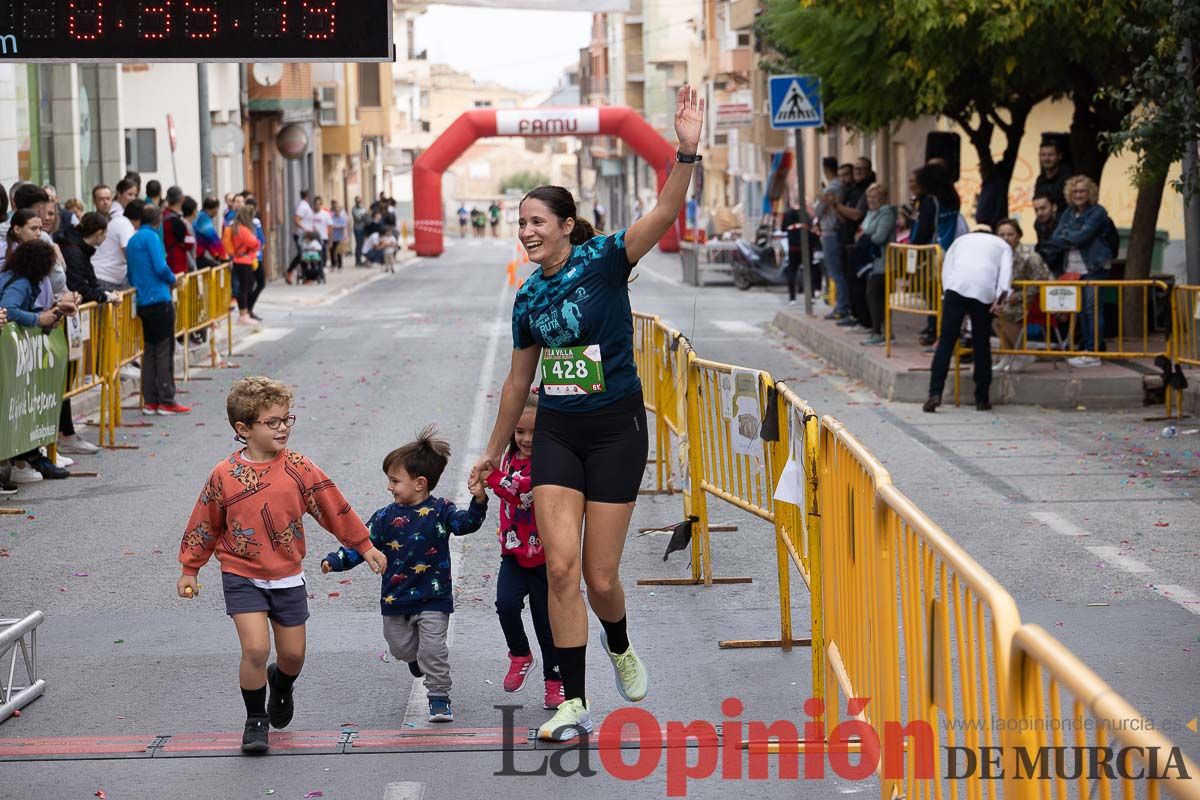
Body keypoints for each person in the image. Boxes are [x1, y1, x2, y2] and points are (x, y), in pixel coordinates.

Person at [470, 85, 705, 742]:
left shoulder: (606, 261)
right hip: (558, 434)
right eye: (520, 224)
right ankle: (571, 699)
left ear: (567, 225)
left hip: (617, 431)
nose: (526, 232)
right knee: (561, 567)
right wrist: (492, 452)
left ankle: (620, 643)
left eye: (536, 222)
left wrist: (685, 146)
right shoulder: (527, 297)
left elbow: (664, 209)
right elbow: (519, 383)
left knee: (601, 577)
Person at [178, 377, 387, 753]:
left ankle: (282, 684)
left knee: (292, 656)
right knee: (255, 649)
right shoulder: (223, 475)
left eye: (287, 420)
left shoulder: (299, 468)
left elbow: (332, 507)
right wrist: (190, 568)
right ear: (243, 429)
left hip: (287, 574)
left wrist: (363, 545)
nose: (283, 428)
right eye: (272, 422)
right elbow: (204, 522)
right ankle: (255, 721)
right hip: (241, 573)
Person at [322, 426, 487, 724]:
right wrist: (336, 560)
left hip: (433, 596)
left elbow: (466, 525)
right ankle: (414, 660)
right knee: (400, 646)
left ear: (420, 483)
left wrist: (478, 502)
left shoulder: (441, 511)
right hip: (395, 597)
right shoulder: (385, 517)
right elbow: (363, 543)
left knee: (434, 650)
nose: (390, 487)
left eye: (395, 480)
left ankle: (439, 698)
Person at [480, 393, 563, 710]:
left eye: (534, 431)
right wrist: (486, 483)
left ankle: (554, 683)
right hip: (513, 554)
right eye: (519, 432)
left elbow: (523, 491)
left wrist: (491, 478)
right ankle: (519, 653)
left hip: (545, 557)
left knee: (547, 624)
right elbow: (503, 484)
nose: (526, 439)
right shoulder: (506, 459)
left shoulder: (550, 459)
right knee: (506, 604)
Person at [0, 240, 78, 482]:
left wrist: (51, 314)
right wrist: (38, 320)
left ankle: (31, 457)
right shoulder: (21, 282)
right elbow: (8, 310)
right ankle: (20, 462)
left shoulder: (24, 280)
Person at [923, 229, 1013, 413]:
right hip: (983, 290)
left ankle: (934, 394)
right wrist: (1000, 298)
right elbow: (1006, 275)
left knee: (946, 342)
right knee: (981, 344)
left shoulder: (961, 240)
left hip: (956, 287)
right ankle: (982, 398)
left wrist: (947, 291)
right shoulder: (1002, 244)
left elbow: (947, 267)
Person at [127, 204, 189, 416]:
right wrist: (173, 280)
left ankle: (150, 400)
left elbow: (131, 272)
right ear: (158, 221)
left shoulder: (133, 239)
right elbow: (161, 267)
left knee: (150, 350)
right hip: (159, 298)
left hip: (143, 300)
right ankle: (166, 399)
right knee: (164, 350)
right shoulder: (152, 237)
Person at [1050, 175, 1114, 367]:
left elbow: (1082, 237)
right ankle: (1086, 349)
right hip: (1073, 269)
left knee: (1092, 310)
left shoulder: (1098, 212)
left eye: (1083, 191)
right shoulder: (1068, 213)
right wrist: (1074, 235)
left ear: (1090, 193)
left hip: (1094, 267)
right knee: (1081, 311)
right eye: (1075, 191)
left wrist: (1069, 235)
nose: (1078, 195)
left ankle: (1094, 352)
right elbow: (1055, 238)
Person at [993, 218, 1052, 372]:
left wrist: (1017, 297)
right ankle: (1008, 355)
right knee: (993, 315)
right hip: (1011, 298)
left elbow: (1040, 283)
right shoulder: (1001, 255)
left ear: (1018, 236)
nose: (1005, 238)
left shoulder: (1030, 257)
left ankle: (1022, 354)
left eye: (1010, 234)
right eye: (1002, 235)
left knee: (1006, 314)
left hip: (1032, 300)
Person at [832, 158, 874, 328]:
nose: (858, 172)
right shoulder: (850, 190)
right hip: (847, 240)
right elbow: (844, 217)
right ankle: (855, 315)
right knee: (851, 281)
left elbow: (857, 215)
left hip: (862, 244)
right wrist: (836, 206)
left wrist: (836, 205)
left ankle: (865, 320)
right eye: (856, 169)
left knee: (860, 284)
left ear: (869, 170)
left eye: (862, 169)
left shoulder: (868, 189)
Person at [856, 184, 897, 346]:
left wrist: (863, 236)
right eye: (869, 197)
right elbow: (862, 230)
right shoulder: (871, 213)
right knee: (874, 296)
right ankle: (882, 332)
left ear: (883, 198)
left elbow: (879, 237)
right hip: (872, 263)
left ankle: (879, 333)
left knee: (877, 297)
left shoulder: (886, 213)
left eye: (874, 197)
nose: (871, 200)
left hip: (884, 263)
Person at [813, 161, 848, 318]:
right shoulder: (836, 187)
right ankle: (840, 305)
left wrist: (820, 197)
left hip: (831, 232)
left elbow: (818, 210)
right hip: (833, 232)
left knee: (836, 272)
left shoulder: (832, 188)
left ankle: (842, 307)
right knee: (836, 272)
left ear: (826, 170)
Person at [224, 206, 261, 326]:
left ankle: (243, 315)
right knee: (245, 288)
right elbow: (254, 242)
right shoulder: (243, 229)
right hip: (244, 261)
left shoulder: (235, 227)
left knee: (243, 288)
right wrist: (258, 243)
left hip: (238, 260)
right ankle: (243, 315)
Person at [1031, 191, 1064, 276]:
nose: (1039, 213)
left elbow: (1057, 248)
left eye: (1043, 208)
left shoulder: (1064, 222)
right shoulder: (1038, 224)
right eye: (1036, 210)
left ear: (1054, 207)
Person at [286, 190, 315, 284]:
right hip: (301, 235)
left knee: (304, 256)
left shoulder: (305, 205)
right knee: (302, 255)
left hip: (305, 235)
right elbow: (296, 219)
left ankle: (305, 277)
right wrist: (306, 229)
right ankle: (289, 272)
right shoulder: (303, 206)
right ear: (308, 196)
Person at [162, 186, 191, 275]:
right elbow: (189, 243)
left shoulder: (162, 215)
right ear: (182, 199)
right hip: (177, 264)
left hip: (166, 261)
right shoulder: (176, 221)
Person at [1034, 139, 1069, 212]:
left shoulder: (1067, 179)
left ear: (1059, 156)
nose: (1046, 159)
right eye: (1043, 155)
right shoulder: (1040, 180)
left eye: (1050, 155)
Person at [195, 195, 227, 268]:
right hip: (198, 256)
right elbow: (213, 239)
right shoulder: (204, 220)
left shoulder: (199, 215)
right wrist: (223, 257)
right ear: (215, 209)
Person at [312, 196, 332, 268]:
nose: (317, 206)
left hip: (323, 237)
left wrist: (330, 239)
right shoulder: (311, 214)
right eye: (315, 204)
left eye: (318, 204)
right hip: (313, 238)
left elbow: (330, 226)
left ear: (321, 204)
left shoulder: (325, 214)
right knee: (314, 253)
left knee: (322, 253)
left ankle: (323, 267)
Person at [329, 199, 348, 271]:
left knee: (339, 252)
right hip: (333, 237)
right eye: (335, 211)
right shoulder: (332, 217)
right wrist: (336, 227)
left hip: (340, 237)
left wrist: (344, 238)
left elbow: (343, 227)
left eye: (338, 210)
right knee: (332, 251)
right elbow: (331, 226)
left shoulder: (342, 217)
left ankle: (340, 266)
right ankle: (333, 265)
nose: (337, 212)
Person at [352, 196, 369, 265]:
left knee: (362, 245)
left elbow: (367, 217)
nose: (359, 202)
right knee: (358, 244)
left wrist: (365, 216)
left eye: (360, 200)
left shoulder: (363, 208)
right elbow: (358, 218)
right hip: (358, 229)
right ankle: (357, 260)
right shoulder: (354, 209)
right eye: (357, 200)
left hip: (363, 228)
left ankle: (360, 259)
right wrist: (364, 216)